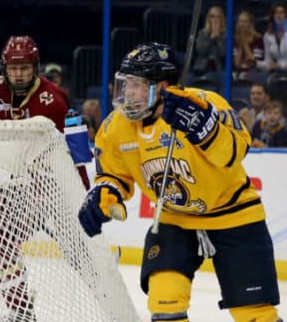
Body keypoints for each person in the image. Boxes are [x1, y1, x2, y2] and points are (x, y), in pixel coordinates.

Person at [78, 42, 282, 322]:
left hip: (233, 214)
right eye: (125, 85)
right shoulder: (115, 127)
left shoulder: (204, 102)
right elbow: (113, 175)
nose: (128, 94)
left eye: (137, 85)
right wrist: (106, 193)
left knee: (254, 314)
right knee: (165, 301)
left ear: (161, 87)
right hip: (174, 220)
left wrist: (203, 126)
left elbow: (236, 152)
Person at [0, 35, 92, 321]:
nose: (19, 74)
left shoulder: (53, 100)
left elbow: (75, 151)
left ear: (36, 67)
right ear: (4, 68)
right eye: (13, 68)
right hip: (15, 182)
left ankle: (102, 288)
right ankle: (21, 310)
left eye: (25, 68)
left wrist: (83, 192)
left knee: (79, 251)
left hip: (48, 182)